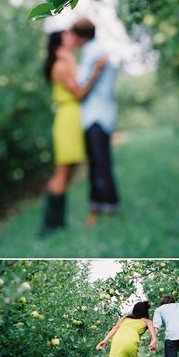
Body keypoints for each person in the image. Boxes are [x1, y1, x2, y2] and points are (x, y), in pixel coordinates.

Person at [40, 29, 106, 235]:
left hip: (73, 117)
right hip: (67, 119)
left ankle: (57, 223)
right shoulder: (60, 65)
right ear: (60, 42)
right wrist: (96, 72)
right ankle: (49, 225)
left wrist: (70, 58)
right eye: (68, 35)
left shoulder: (65, 61)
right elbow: (78, 92)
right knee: (62, 173)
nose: (73, 37)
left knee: (67, 173)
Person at [71, 18, 120, 226]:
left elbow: (81, 89)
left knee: (98, 164)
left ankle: (101, 208)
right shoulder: (99, 49)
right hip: (104, 113)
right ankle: (107, 205)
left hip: (95, 116)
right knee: (102, 162)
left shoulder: (92, 52)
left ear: (80, 36)